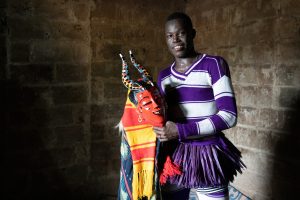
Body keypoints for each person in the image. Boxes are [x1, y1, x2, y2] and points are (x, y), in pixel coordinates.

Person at [153, 12, 245, 200]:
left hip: (207, 154)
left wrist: (181, 130)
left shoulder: (214, 65)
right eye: (170, 36)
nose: (175, 40)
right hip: (174, 156)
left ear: (193, 34)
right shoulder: (164, 77)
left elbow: (229, 116)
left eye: (181, 33)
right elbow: (163, 120)